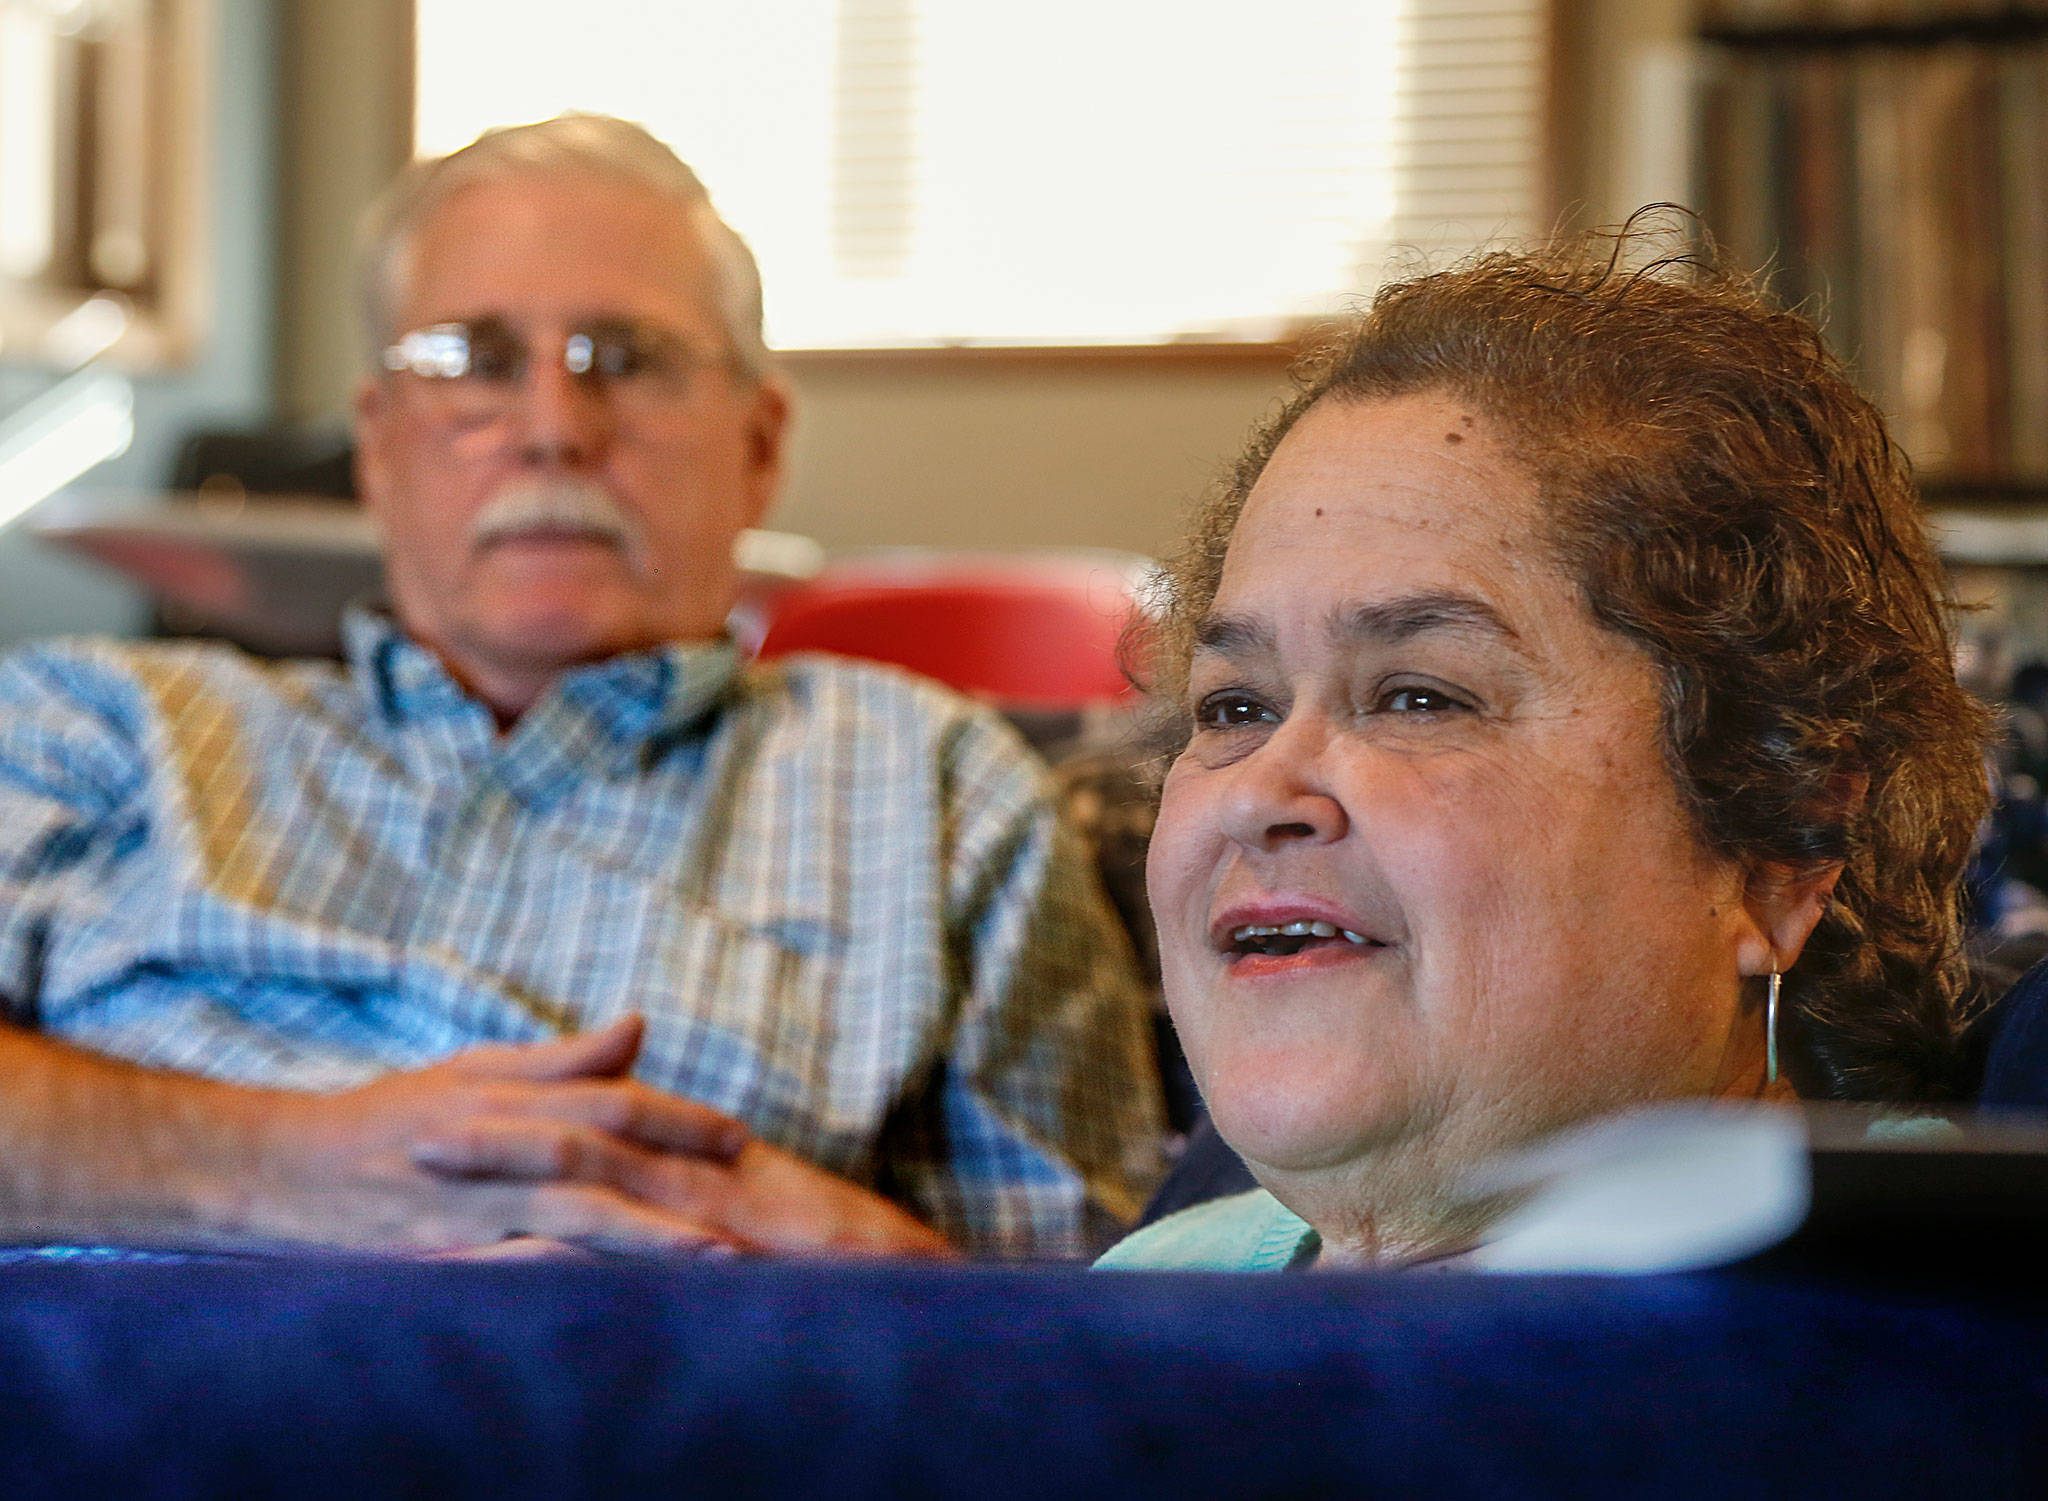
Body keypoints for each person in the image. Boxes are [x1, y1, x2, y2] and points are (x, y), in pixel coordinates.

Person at [0, 115, 1164, 1261]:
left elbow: (1058, 1371)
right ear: (378, 446)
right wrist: (292, 1168)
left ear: (758, 445)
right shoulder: (93, 734)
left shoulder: (935, 792)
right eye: (472, 361)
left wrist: (814, 1278)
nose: (553, 428)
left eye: (629, 359)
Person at [1098, 226, 1992, 1270]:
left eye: (1418, 697)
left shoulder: (1950, 1319)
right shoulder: (1143, 1288)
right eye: (1234, 708)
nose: (1259, 794)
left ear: (1780, 844)